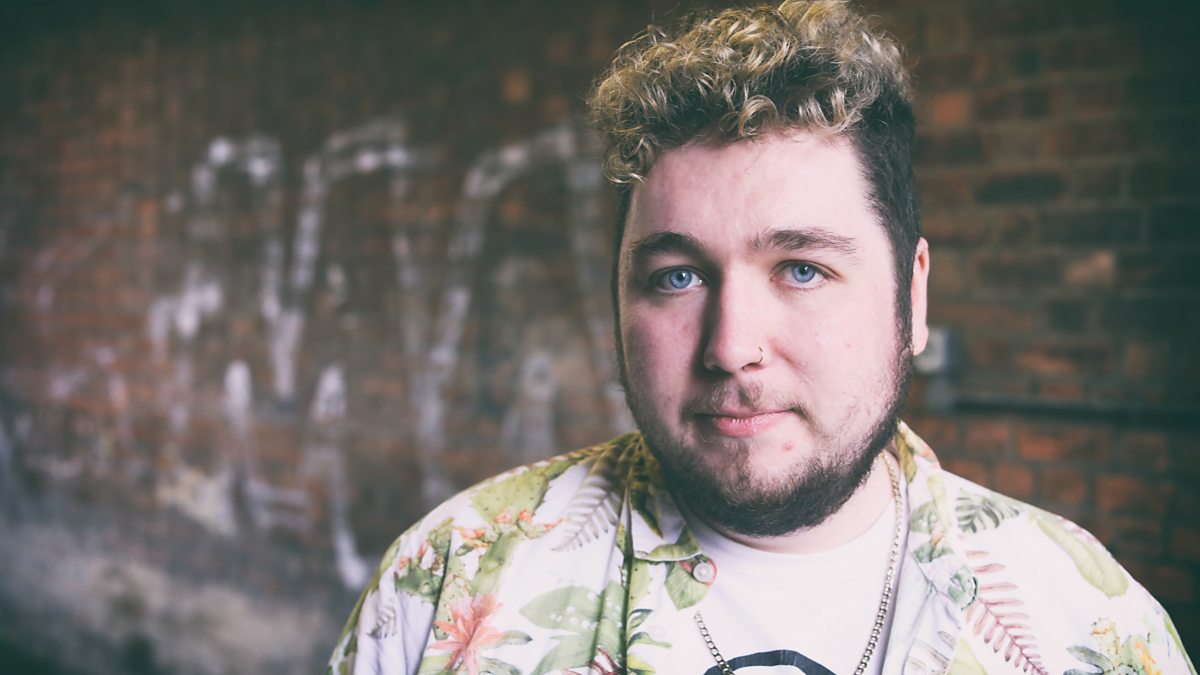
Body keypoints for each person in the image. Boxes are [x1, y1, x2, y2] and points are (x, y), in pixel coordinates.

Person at [328, 1, 1194, 673]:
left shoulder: (1091, 627)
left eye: (802, 268)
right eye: (678, 276)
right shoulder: (443, 585)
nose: (730, 346)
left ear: (913, 293)